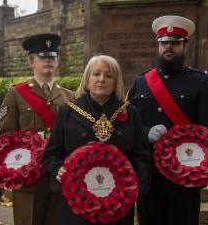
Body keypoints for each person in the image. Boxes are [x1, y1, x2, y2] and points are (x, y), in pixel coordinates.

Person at [128, 15, 208, 225]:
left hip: (184, 176)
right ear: (158, 45)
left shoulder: (200, 82)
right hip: (149, 176)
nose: (169, 47)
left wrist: (201, 173)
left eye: (175, 43)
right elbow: (128, 124)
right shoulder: (141, 82)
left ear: (184, 45)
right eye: (164, 43)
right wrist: (145, 132)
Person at [44, 54, 151, 225]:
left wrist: (137, 185)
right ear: (87, 79)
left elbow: (142, 156)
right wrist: (58, 169)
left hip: (118, 204)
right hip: (76, 202)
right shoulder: (68, 112)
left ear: (116, 81)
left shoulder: (129, 113)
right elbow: (51, 154)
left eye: (109, 76)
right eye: (96, 74)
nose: (102, 79)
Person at [0, 33, 74, 225]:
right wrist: (10, 175)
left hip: (59, 179)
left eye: (52, 57)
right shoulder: (15, 94)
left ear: (57, 61)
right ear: (31, 61)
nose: (48, 60)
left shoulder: (70, 97)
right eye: (43, 56)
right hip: (29, 180)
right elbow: (6, 138)